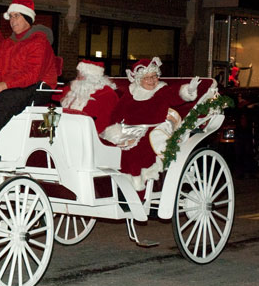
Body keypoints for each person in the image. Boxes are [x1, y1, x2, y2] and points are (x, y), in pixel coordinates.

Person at [100, 57, 200, 191]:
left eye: (154, 76)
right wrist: (111, 130)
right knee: (107, 145)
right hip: (130, 129)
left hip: (154, 130)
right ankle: (110, 187)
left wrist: (188, 90)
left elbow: (175, 96)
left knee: (136, 150)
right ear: (139, 80)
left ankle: (137, 188)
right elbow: (117, 112)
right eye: (147, 78)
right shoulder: (131, 92)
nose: (152, 81)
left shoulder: (161, 90)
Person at [0, 0, 58, 143]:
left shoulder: (39, 42)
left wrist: (3, 86)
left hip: (37, 87)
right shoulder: (6, 44)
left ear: (27, 18)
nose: (12, 21)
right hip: (10, 86)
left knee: (8, 98)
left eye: (17, 16)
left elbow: (32, 74)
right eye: (11, 17)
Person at [54, 59, 119, 134]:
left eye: (80, 75)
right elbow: (55, 94)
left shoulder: (106, 93)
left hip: (90, 133)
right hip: (67, 129)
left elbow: (106, 120)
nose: (77, 78)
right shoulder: (74, 88)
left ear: (90, 77)